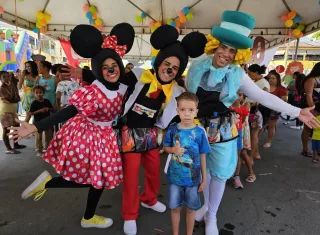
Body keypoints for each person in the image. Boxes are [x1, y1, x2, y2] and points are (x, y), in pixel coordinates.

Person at [185, 11, 319, 235]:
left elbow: (264, 97)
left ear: (238, 54)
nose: (226, 54)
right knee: (202, 171)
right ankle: (205, 205)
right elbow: (184, 97)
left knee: (218, 174)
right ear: (215, 45)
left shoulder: (238, 74)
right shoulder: (197, 66)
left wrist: (298, 112)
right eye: (224, 47)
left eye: (232, 50)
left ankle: (212, 216)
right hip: (196, 127)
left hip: (221, 130)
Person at [8, 23, 135, 228]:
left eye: (114, 65)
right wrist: (35, 127)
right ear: (99, 70)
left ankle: (87, 216)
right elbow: (69, 111)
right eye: (105, 67)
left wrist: (84, 74)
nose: (111, 70)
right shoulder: (94, 91)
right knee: (95, 179)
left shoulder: (122, 86)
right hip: (90, 136)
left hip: (105, 136)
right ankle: (56, 189)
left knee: (97, 179)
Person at [117, 25, 206, 235]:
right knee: (131, 177)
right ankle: (129, 215)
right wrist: (86, 74)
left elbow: (184, 112)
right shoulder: (138, 75)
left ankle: (149, 199)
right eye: (167, 64)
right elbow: (111, 83)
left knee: (154, 172)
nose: (169, 69)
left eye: (175, 68)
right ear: (159, 63)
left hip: (151, 135)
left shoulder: (176, 91)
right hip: (129, 133)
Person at [163, 92, 210, 235]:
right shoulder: (172, 129)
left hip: (193, 179)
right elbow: (165, 148)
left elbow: (203, 155)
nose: (187, 114)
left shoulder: (200, 132)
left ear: (196, 111)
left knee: (191, 209)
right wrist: (173, 150)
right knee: (175, 208)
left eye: (191, 110)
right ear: (177, 111)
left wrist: (204, 178)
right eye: (183, 110)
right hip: (174, 179)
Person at [230, 92, 255, 188]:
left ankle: (236, 176)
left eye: (239, 94)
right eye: (235, 94)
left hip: (238, 133)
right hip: (228, 134)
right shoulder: (227, 107)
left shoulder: (244, 108)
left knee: (238, 155)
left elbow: (243, 119)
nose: (237, 97)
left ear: (243, 97)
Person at [247, 64, 270, 160]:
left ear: (256, 73)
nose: (248, 75)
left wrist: (251, 105)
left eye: (250, 73)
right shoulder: (257, 81)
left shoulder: (263, 83)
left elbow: (264, 98)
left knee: (254, 135)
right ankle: (256, 153)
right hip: (252, 109)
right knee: (253, 135)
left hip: (256, 111)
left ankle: (250, 158)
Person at [0, 71, 25, 154]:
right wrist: (14, 98)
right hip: (5, 112)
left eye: (8, 76)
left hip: (13, 110)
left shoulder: (11, 85)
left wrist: (14, 98)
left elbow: (17, 97)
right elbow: (11, 98)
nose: (7, 78)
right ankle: (8, 148)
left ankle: (16, 144)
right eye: (4, 77)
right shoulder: (2, 88)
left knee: (16, 127)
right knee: (6, 130)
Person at [263, 71, 287, 148]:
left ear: (278, 79)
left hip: (275, 109)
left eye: (273, 78)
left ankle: (268, 141)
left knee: (271, 125)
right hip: (263, 108)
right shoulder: (265, 86)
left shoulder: (281, 89)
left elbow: (284, 100)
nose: (271, 80)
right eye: (270, 78)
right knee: (261, 125)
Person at [302, 62, 320, 157]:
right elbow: (309, 96)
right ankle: (305, 149)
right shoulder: (311, 80)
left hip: (318, 107)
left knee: (318, 129)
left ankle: (317, 150)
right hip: (311, 107)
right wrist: (312, 110)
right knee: (308, 128)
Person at [29, 85, 53, 156]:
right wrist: (39, 111)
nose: (39, 94)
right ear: (34, 94)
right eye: (37, 93)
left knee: (48, 136)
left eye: (41, 92)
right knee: (38, 137)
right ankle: (39, 150)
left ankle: (48, 148)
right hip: (38, 122)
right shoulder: (34, 103)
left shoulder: (47, 101)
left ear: (43, 93)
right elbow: (31, 113)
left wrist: (48, 109)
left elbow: (52, 109)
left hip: (47, 121)